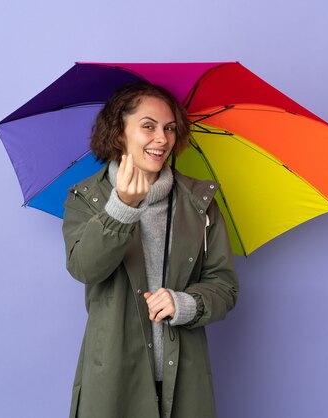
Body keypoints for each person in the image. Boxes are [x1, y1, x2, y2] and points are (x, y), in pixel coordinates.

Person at [62, 82, 239, 418]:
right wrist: (122, 208)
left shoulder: (199, 202)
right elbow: (84, 267)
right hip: (114, 379)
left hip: (184, 376)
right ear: (118, 133)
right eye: (148, 126)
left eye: (170, 128)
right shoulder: (86, 198)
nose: (162, 139)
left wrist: (185, 302)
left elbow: (225, 285)